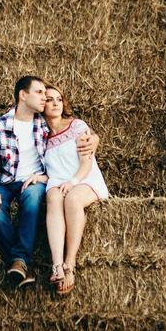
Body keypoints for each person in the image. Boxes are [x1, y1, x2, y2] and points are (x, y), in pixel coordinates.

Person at [0, 75, 98, 290]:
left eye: (49, 95)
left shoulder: (44, 124)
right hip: (5, 182)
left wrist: (94, 138)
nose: (46, 99)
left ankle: (22, 262)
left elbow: (72, 130)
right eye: (40, 93)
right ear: (23, 96)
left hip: (34, 181)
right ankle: (21, 262)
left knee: (33, 198)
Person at [41, 84, 110, 295]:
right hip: (57, 180)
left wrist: (73, 181)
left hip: (83, 177)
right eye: (50, 99)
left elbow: (86, 163)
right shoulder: (40, 135)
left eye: (59, 99)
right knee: (53, 198)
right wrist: (38, 176)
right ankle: (57, 265)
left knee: (72, 200)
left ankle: (70, 263)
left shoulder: (77, 126)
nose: (55, 103)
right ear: (41, 105)